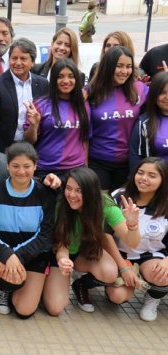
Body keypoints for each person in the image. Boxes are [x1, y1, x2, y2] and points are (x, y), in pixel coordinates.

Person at [42, 167, 140, 315]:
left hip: (86, 253)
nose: (72, 195)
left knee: (109, 273)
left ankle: (81, 285)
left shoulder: (104, 205)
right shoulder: (60, 203)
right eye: (69, 188)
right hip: (62, 254)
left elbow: (132, 242)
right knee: (55, 308)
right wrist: (63, 260)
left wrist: (132, 225)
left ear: (91, 191)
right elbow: (61, 246)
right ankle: (49, 282)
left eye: (79, 190)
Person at [0, 142, 56, 318]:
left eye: (27, 166)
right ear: (7, 166)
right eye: (15, 166)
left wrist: (18, 256)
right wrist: (6, 254)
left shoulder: (44, 193)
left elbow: (44, 234)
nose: (21, 171)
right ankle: (3, 289)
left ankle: (28, 286)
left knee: (24, 310)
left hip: (33, 255)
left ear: (35, 166)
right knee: (5, 279)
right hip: (2, 254)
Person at [108, 158, 168, 321]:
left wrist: (167, 261)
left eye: (152, 175)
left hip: (151, 255)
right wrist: (123, 267)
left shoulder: (166, 203)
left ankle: (153, 298)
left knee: (163, 274)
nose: (144, 178)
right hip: (121, 255)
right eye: (140, 173)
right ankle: (85, 284)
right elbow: (105, 235)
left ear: (163, 180)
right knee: (117, 296)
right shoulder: (119, 196)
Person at [87, 46, 148, 190]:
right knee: (102, 208)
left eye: (128, 67)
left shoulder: (140, 88)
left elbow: (162, 98)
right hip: (98, 161)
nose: (124, 71)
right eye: (119, 66)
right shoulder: (91, 91)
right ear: (108, 66)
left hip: (129, 162)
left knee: (122, 208)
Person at [24, 59, 91, 179]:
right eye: (60, 77)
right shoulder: (40, 105)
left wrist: (85, 167)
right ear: (54, 79)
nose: (66, 81)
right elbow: (29, 141)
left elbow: (85, 139)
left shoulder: (83, 105)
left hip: (76, 170)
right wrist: (34, 125)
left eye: (71, 76)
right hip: (45, 170)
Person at [0, 38, 48, 153]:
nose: (18, 63)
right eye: (14, 58)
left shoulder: (43, 84)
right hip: (5, 148)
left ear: (32, 62)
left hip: (35, 148)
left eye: (23, 59)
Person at [130, 72, 168, 169]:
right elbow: (135, 156)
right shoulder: (144, 123)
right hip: (156, 181)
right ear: (154, 95)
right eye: (162, 92)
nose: (167, 97)